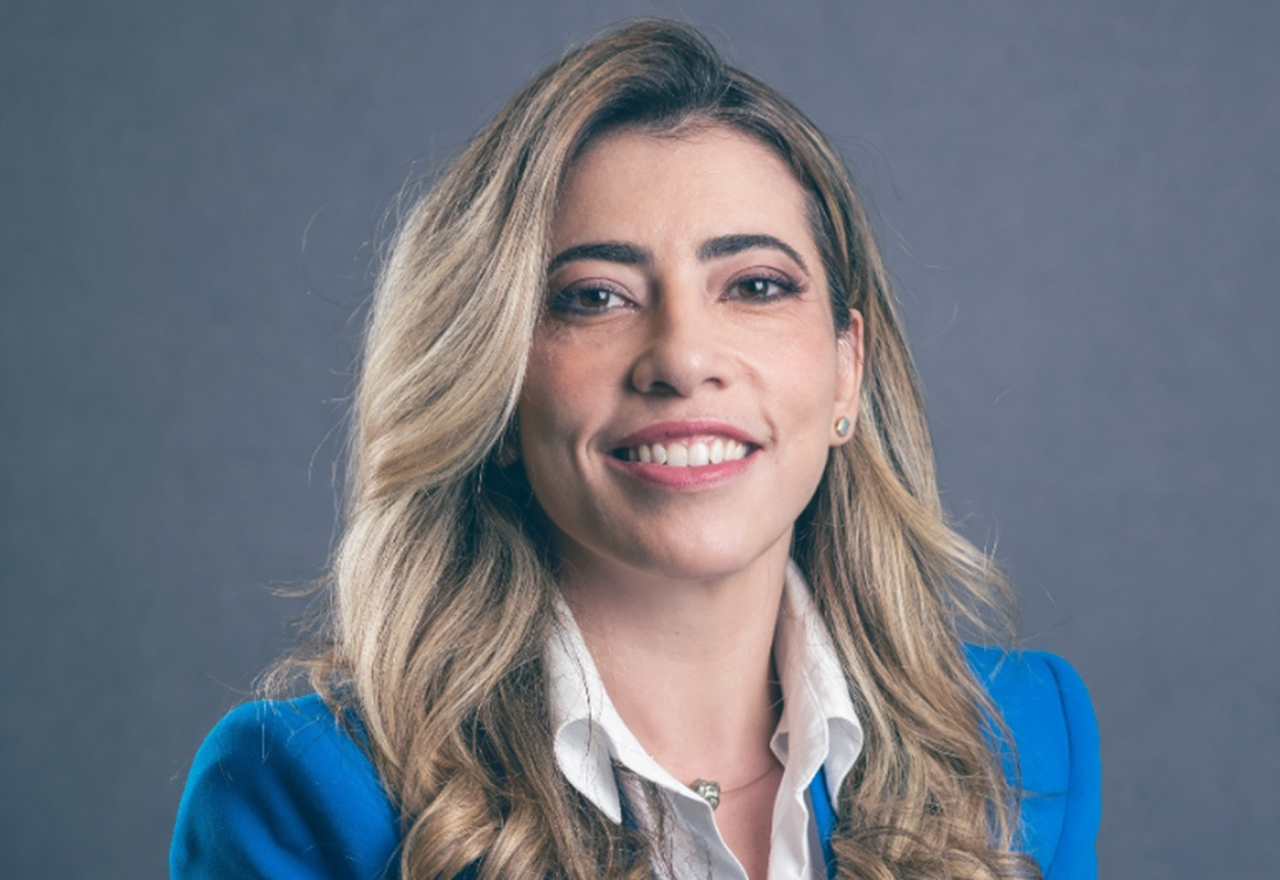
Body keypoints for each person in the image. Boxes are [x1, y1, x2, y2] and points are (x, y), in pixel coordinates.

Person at [170, 18, 1099, 880]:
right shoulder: (303, 792)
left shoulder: (1023, 740)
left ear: (847, 370)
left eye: (757, 285)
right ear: (492, 379)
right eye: (594, 296)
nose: (684, 358)